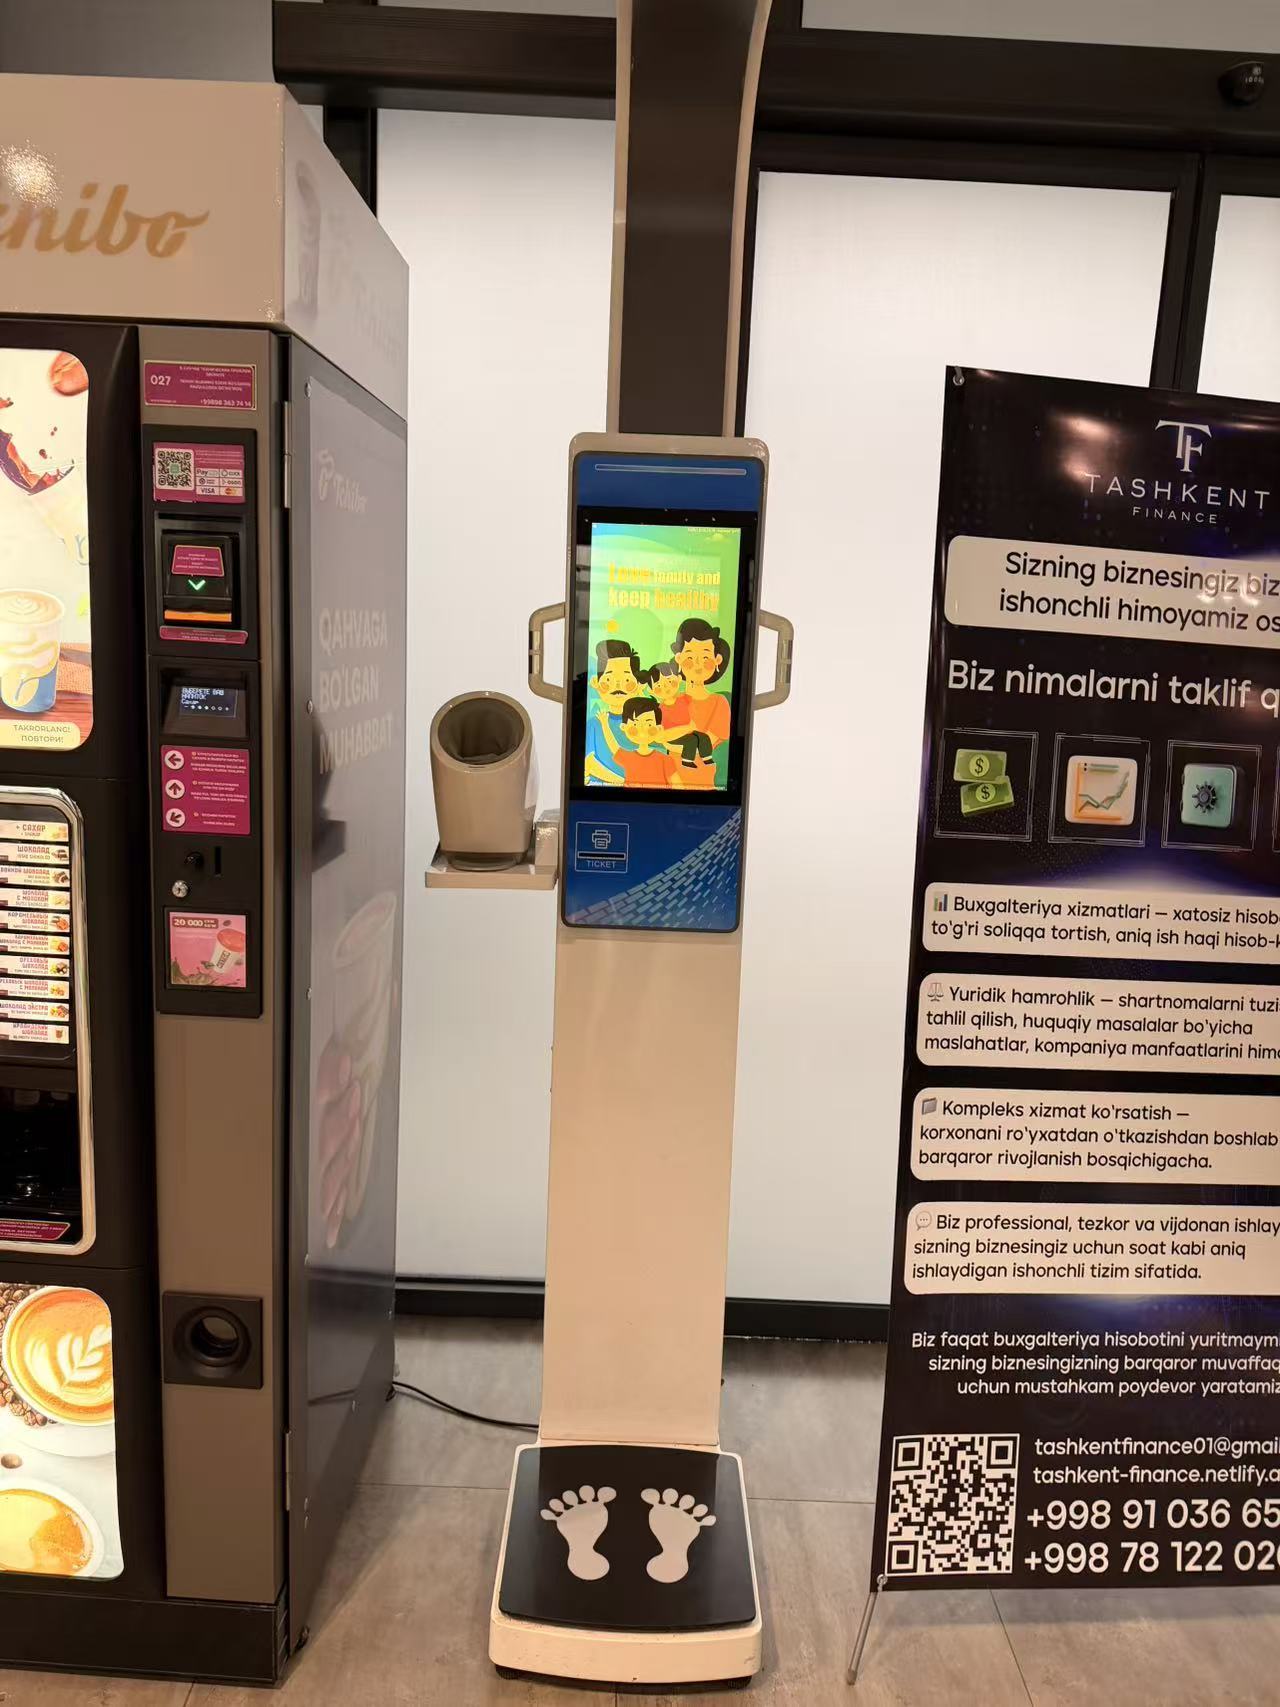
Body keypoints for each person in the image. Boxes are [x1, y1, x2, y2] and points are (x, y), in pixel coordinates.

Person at [661, 617, 731, 787]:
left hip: (701, 781)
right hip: (666, 779)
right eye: (690, 657)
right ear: (679, 659)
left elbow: (706, 745)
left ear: (717, 660)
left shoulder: (719, 702)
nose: (697, 664)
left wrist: (675, 738)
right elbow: (662, 738)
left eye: (705, 657)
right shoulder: (670, 701)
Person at [585, 638, 641, 786]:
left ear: (639, 685)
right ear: (596, 683)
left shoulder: (645, 724)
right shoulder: (593, 724)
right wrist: (624, 782)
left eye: (627, 680)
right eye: (609, 680)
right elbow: (589, 764)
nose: (617, 685)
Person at [596, 697, 682, 788]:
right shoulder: (628, 758)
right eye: (635, 724)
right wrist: (605, 725)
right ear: (624, 727)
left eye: (649, 724)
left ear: (659, 728)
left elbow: (678, 785)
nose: (642, 730)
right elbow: (613, 746)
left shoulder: (665, 760)